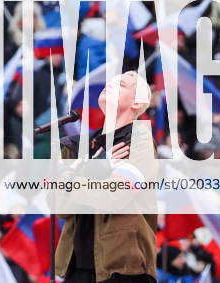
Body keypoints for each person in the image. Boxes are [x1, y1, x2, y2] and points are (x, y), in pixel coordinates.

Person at [55, 71, 158, 283]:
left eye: (121, 84)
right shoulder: (77, 146)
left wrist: (74, 177)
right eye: (110, 81)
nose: (110, 84)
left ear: (137, 104)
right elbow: (60, 208)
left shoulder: (139, 142)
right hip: (76, 268)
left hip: (123, 270)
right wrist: (97, 169)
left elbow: (115, 196)